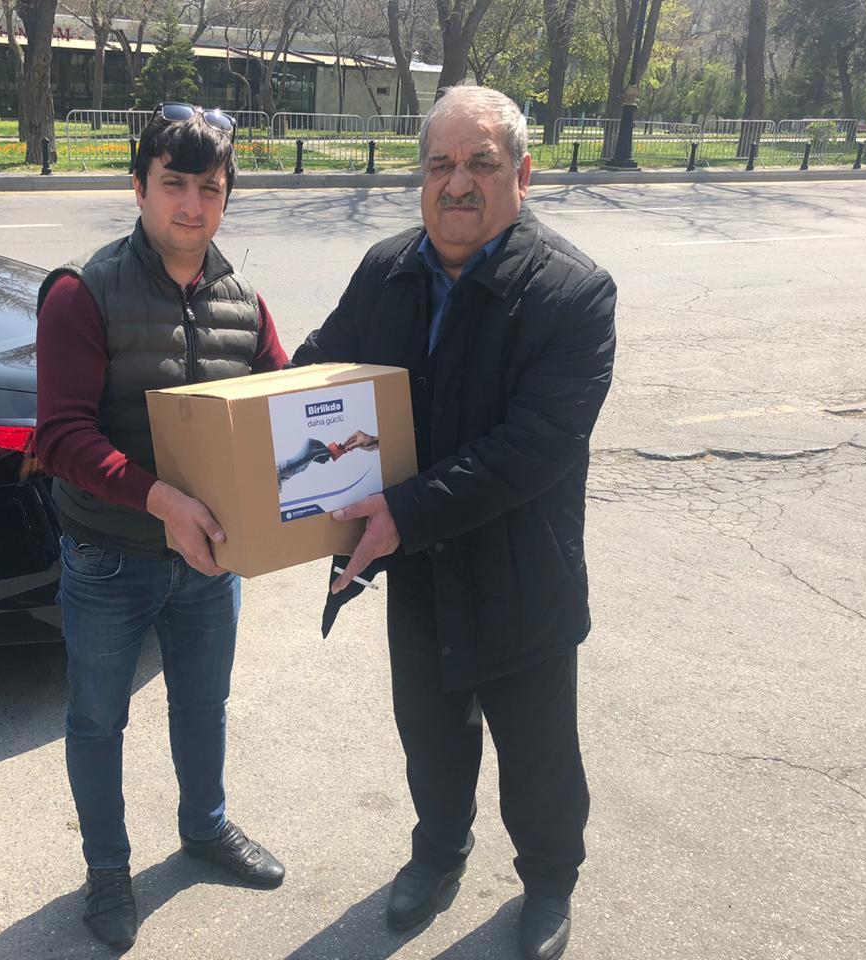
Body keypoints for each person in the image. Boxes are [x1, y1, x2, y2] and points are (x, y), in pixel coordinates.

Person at [292, 86, 617, 960]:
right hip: (420, 568)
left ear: (523, 173)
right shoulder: (388, 269)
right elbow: (321, 369)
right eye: (440, 164)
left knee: (538, 755)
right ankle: (438, 853)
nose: (458, 183)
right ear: (421, 176)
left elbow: (535, 447)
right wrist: (244, 428)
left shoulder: (573, 292)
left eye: (481, 163)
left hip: (521, 572)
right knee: (430, 735)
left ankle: (548, 880)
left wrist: (402, 511)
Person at [34, 103, 289, 953]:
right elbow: (62, 436)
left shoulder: (244, 300)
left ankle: (204, 826)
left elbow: (278, 408)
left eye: (209, 188)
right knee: (97, 719)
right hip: (111, 556)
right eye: (173, 183)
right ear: (138, 187)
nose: (191, 204)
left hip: (211, 558)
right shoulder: (82, 293)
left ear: (227, 197)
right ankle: (108, 869)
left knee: (204, 703)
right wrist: (164, 503)